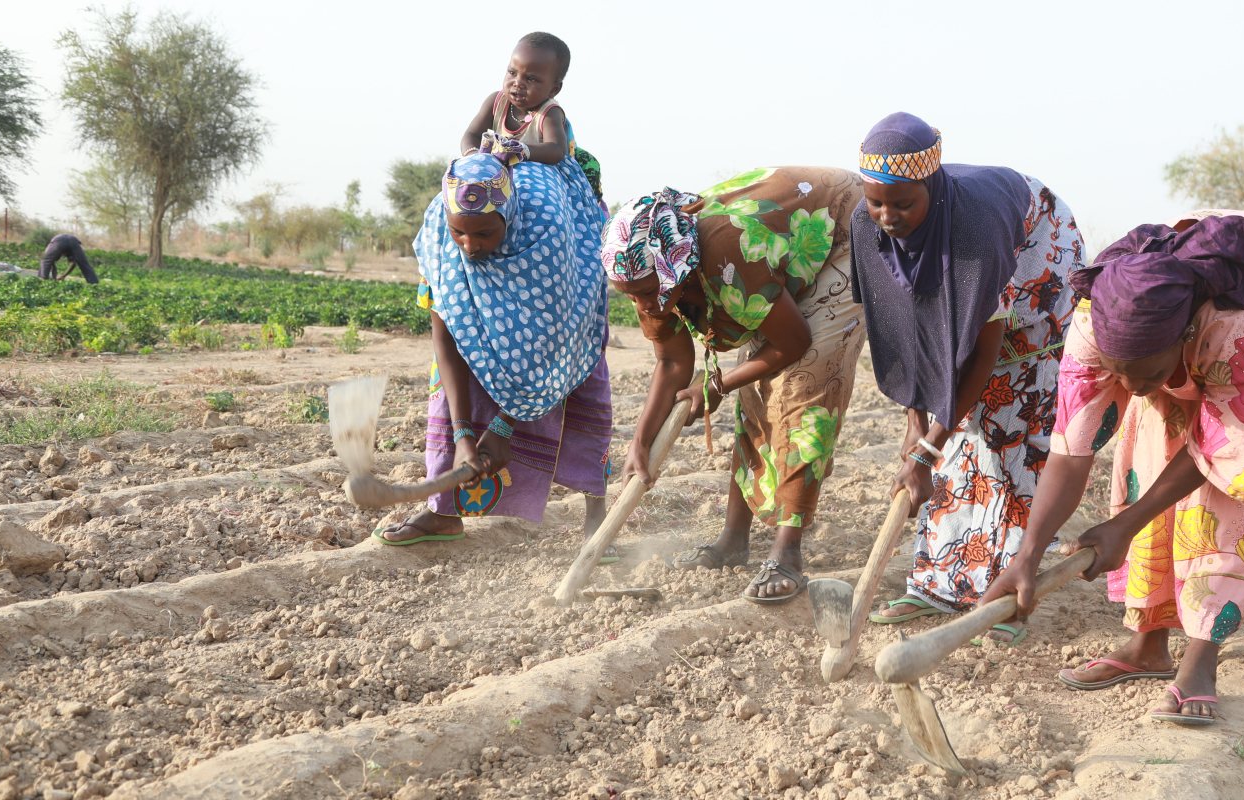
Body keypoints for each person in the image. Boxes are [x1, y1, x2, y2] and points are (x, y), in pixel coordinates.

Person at [979, 211, 1244, 725]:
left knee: (1236, 485)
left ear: (1185, 335)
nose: (1133, 388)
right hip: (1182, 330)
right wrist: (1026, 555)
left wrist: (1123, 526)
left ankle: (1201, 659)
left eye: (1148, 373)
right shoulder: (1095, 321)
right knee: (1146, 451)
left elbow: (1234, 452)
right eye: (1119, 374)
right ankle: (1147, 645)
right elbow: (1072, 450)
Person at [849, 112, 1088, 645]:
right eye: (876, 201)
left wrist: (928, 449)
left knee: (1010, 422)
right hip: (971, 266)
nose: (888, 215)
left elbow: (981, 357)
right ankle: (940, 580)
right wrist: (917, 432)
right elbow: (899, 332)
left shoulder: (978, 235)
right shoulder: (867, 228)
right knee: (948, 432)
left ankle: (1002, 595)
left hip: (1035, 257)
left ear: (930, 188)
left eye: (903, 204)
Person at [604, 167, 867, 603]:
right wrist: (641, 440)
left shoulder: (727, 250)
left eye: (647, 293)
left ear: (677, 269)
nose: (642, 304)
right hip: (770, 261)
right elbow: (672, 361)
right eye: (629, 295)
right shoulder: (650, 275)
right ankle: (733, 541)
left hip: (843, 233)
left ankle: (787, 552)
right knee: (753, 395)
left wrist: (716, 385)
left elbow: (795, 341)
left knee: (805, 387)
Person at [374, 139, 612, 547]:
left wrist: (503, 426)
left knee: (581, 390)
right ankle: (442, 513)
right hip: (475, 343)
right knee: (449, 390)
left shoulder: (546, 246)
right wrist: (465, 434)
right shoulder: (440, 248)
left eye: (484, 233)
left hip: (566, 326)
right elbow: (445, 340)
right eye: (459, 233)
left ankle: (597, 524)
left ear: (509, 218)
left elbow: (552, 348)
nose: (470, 246)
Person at [457, 32, 604, 205]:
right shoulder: (496, 102)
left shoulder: (549, 112)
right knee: (457, 192)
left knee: (542, 208)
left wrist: (521, 151)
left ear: (554, 89)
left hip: (543, 175)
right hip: (498, 170)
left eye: (531, 78)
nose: (517, 82)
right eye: (512, 72)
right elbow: (472, 135)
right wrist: (476, 157)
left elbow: (556, 149)